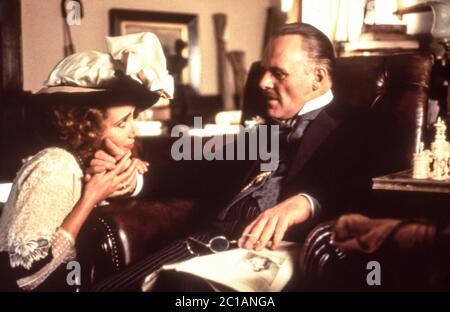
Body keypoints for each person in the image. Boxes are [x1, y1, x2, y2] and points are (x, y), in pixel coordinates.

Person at [93, 23, 408, 291]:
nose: (262, 83)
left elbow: (373, 185)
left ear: (318, 76)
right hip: (204, 244)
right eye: (263, 71)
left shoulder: (364, 125)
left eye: (277, 73)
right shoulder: (262, 132)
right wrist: (132, 178)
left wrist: (307, 201)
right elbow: (195, 168)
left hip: (274, 257)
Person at [0, 32, 173, 291]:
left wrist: (129, 177)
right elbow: (25, 277)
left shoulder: (85, 163)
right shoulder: (55, 166)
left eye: (133, 118)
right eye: (121, 123)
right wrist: (90, 198)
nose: (133, 131)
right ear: (87, 126)